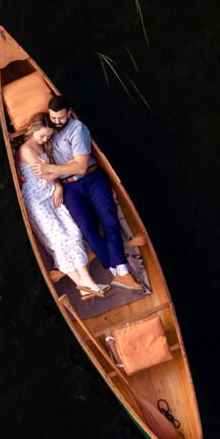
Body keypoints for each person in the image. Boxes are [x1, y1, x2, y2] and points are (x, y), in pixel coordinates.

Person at [30, 95, 143, 292]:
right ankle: (118, 271)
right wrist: (56, 178)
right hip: (70, 188)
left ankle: (123, 271)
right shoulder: (49, 130)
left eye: (61, 118)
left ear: (70, 113)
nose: (56, 122)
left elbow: (81, 167)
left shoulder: (78, 129)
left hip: (91, 179)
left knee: (108, 219)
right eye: (53, 117)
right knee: (86, 228)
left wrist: (51, 169)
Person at [15, 112, 110, 300]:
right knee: (59, 240)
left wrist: (57, 185)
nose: (45, 140)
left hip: (51, 192)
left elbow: (50, 173)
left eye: (49, 136)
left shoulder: (44, 144)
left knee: (73, 233)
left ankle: (86, 284)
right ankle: (85, 284)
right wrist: (57, 182)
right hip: (37, 199)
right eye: (42, 135)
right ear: (32, 130)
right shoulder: (26, 149)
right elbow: (45, 174)